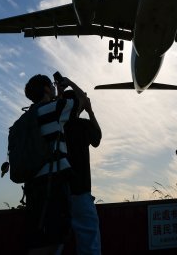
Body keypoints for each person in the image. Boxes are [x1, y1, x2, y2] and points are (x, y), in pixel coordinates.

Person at [22, 73, 88, 255]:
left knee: (39, 239)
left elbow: (57, 116)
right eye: (50, 85)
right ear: (45, 89)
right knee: (55, 238)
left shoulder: (29, 116)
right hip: (54, 183)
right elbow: (82, 100)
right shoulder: (54, 109)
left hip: (32, 185)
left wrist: (59, 92)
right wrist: (70, 83)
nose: (52, 87)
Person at [57, 80, 102, 255]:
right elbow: (97, 138)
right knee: (89, 245)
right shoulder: (82, 126)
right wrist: (90, 111)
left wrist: (61, 93)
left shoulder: (56, 125)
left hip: (57, 193)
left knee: (55, 243)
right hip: (80, 192)